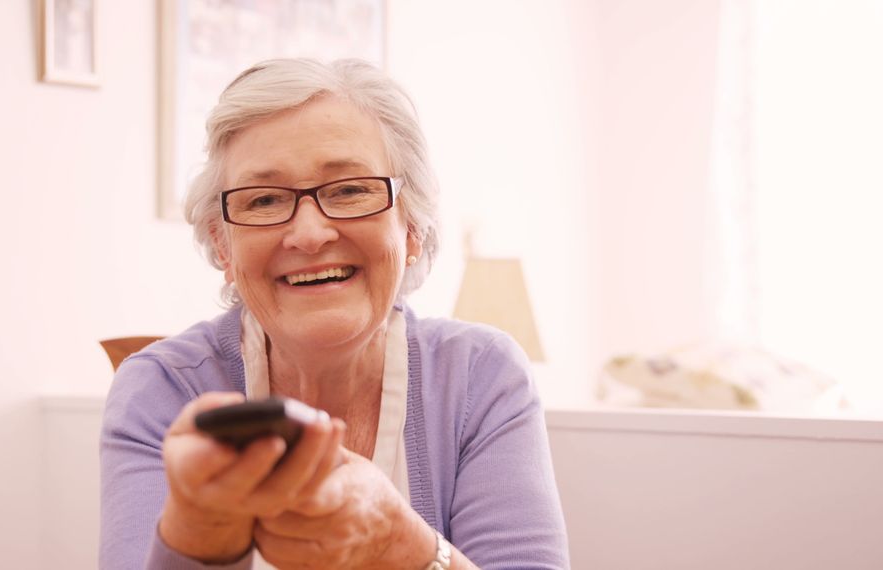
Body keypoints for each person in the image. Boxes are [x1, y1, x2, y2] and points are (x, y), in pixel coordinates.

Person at [100, 58, 570, 570]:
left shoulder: (480, 375)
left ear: (411, 227)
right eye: (263, 200)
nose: (309, 233)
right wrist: (199, 533)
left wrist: (399, 544)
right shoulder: (161, 388)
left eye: (349, 191)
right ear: (223, 244)